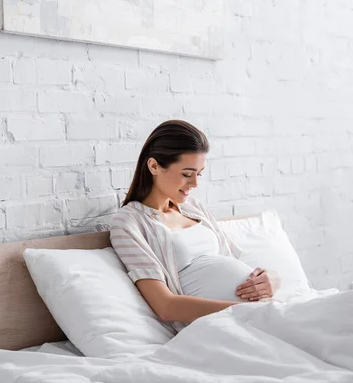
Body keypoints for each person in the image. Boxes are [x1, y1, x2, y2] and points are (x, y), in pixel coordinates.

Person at [110, 120, 280, 333]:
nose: (195, 184)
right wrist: (246, 311)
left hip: (259, 312)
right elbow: (165, 306)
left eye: (199, 174)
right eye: (186, 174)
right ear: (154, 166)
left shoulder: (193, 207)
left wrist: (272, 278)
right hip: (227, 323)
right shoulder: (129, 222)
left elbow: (238, 261)